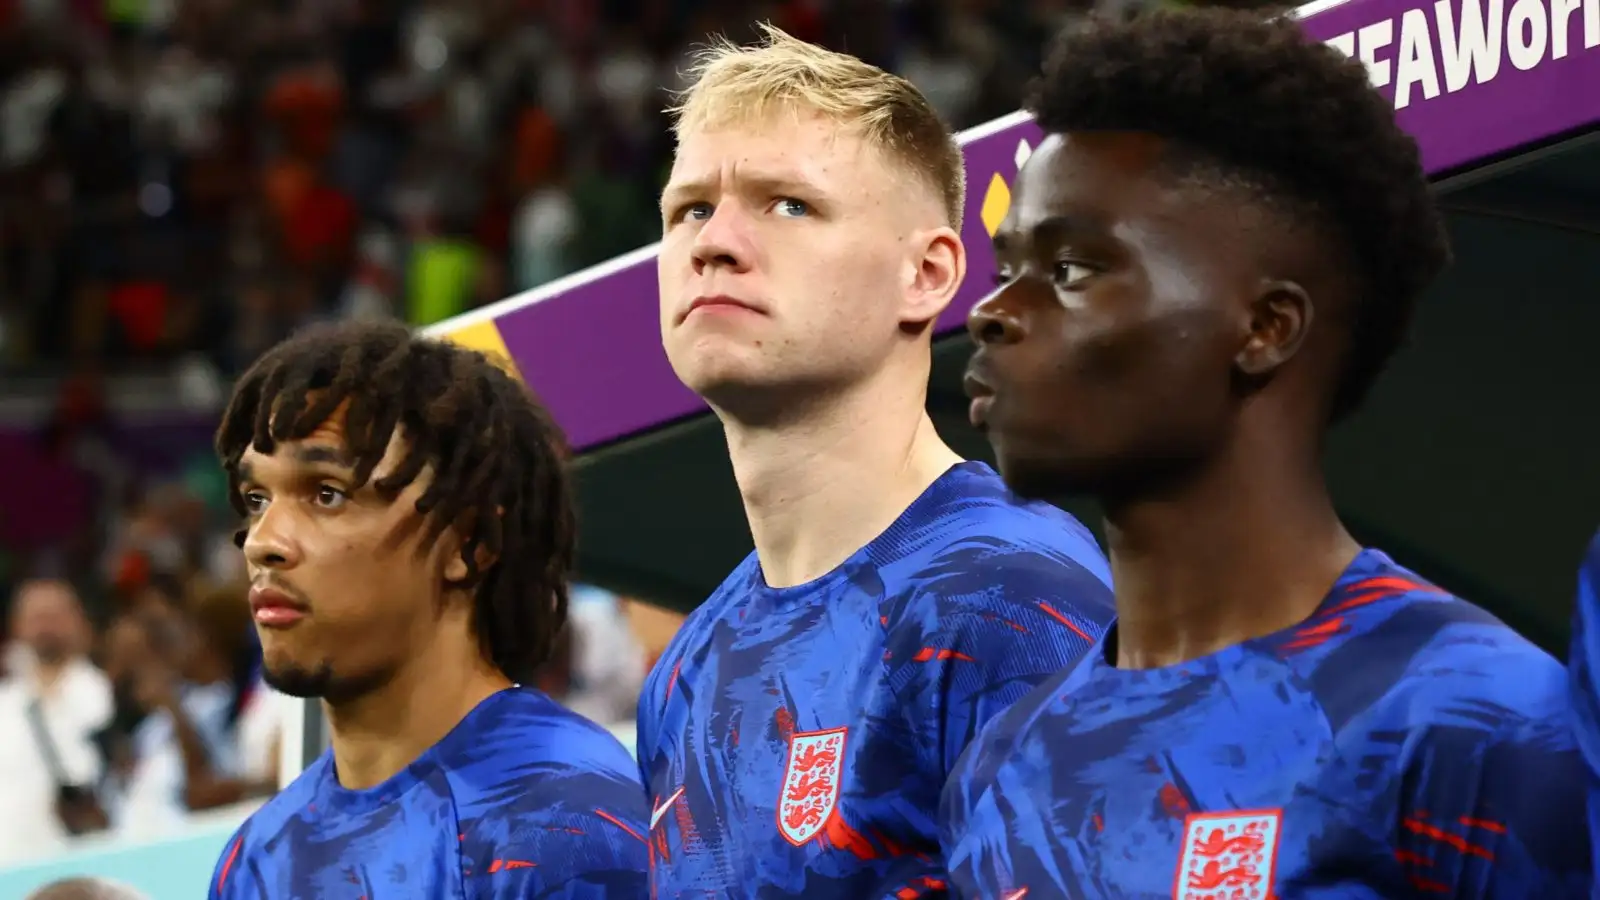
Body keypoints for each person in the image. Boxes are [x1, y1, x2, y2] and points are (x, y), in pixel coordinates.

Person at [940, 9, 1590, 898]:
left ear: (1265, 328)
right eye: (1004, 269)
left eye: (1073, 269)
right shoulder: (998, 768)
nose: (995, 311)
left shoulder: (1471, 720)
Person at [641, 24, 1115, 897]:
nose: (714, 242)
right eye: (690, 209)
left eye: (789, 204)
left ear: (927, 275)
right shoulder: (685, 668)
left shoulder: (1011, 594)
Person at [207, 321, 648, 898]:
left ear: (470, 542)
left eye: (326, 493)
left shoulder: (565, 821)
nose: (263, 540)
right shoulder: (255, 859)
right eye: (256, 499)